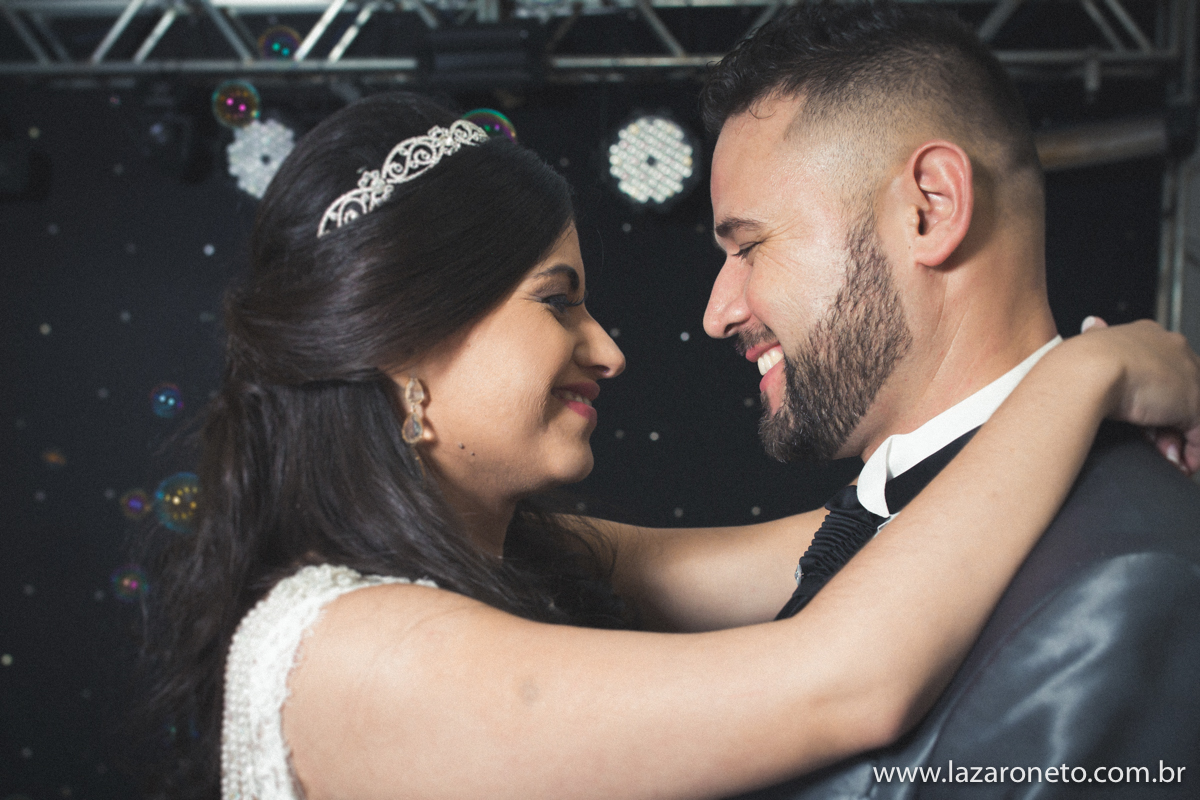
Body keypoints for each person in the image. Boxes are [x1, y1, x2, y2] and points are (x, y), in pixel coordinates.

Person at [137, 91, 1200, 800]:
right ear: (401, 344)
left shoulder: (519, 559)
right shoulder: (346, 650)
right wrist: (1082, 377)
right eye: (559, 302)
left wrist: (1067, 408)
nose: (608, 348)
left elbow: (864, 533)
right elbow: (843, 677)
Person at [689, 3, 1200, 798]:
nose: (718, 310)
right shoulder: (883, 517)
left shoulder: (1123, 585)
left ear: (930, 207)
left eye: (749, 246)